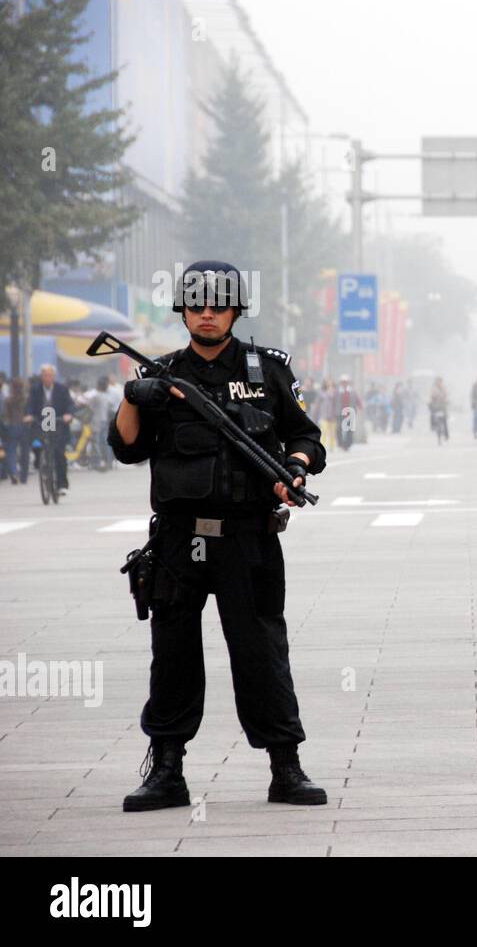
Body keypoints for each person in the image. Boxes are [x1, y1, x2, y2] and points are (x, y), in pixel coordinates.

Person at [108, 260, 328, 812]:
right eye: (197, 305)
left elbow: (307, 437)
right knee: (173, 655)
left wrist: (294, 471)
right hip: (180, 541)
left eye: (218, 305)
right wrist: (133, 396)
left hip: (247, 538)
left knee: (261, 652)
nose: (207, 314)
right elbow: (126, 448)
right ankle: (166, 771)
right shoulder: (161, 374)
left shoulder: (267, 370)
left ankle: (286, 768)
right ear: (183, 311)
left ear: (235, 311)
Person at [24, 363, 75, 493]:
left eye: (50, 375)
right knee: (37, 446)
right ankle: (42, 466)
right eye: (45, 375)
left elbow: (70, 404)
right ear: (41, 376)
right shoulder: (35, 389)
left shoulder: (61, 389)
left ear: (54, 376)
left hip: (58, 423)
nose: (48, 378)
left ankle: (62, 484)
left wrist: (68, 415)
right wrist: (29, 415)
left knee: (59, 454)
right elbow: (29, 404)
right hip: (41, 422)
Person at [4, 373, 29, 484]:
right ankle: (23, 476)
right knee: (25, 452)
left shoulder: (8, 400)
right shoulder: (27, 399)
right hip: (25, 426)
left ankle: (14, 472)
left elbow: (6, 415)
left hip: (12, 426)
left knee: (11, 451)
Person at [335, 375, 361, 451]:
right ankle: (340, 444)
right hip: (340, 412)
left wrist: (360, 406)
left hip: (350, 412)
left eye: (346, 382)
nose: (344, 384)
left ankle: (348, 444)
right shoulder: (337, 391)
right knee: (339, 429)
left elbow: (357, 400)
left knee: (350, 430)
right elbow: (333, 402)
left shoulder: (352, 391)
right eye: (343, 382)